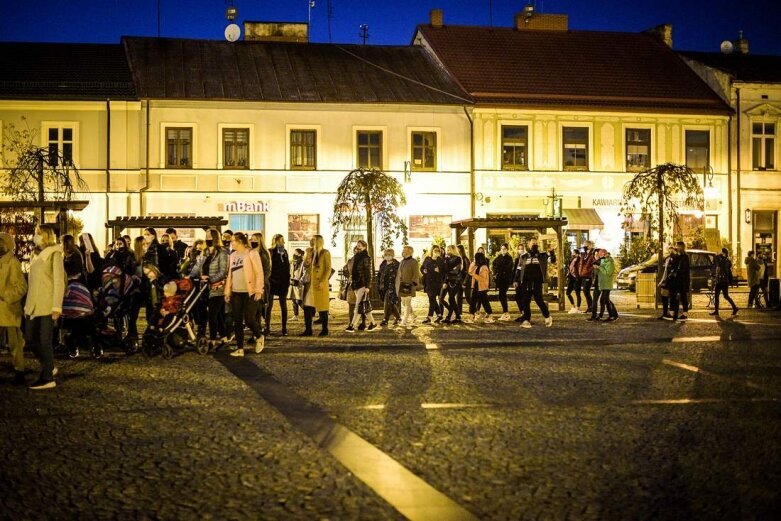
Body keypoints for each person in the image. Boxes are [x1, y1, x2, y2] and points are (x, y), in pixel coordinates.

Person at [25, 225, 65, 390]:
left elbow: (58, 280)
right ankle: (49, 366)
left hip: (47, 304)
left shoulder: (54, 254)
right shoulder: (35, 255)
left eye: (38, 233)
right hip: (33, 304)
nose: (36, 236)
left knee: (44, 340)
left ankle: (48, 377)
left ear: (46, 235)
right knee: (29, 338)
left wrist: (57, 305)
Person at [225, 232, 265, 356]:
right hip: (236, 292)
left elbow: (259, 272)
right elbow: (230, 275)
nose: (231, 243)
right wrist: (227, 291)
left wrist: (259, 290)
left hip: (250, 291)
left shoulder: (252, 253)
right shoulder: (233, 256)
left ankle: (259, 336)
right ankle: (240, 348)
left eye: (233, 241)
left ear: (240, 242)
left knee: (249, 319)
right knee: (237, 320)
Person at [190, 229, 229, 349]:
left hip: (218, 287)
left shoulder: (222, 253)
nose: (207, 238)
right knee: (217, 315)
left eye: (209, 236)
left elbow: (223, 271)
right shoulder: (205, 252)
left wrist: (211, 279)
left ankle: (213, 339)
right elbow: (198, 266)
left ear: (215, 238)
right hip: (205, 288)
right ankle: (224, 338)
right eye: (206, 236)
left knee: (212, 314)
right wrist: (190, 276)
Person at [0, 232, 28, 385]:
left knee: (15, 343)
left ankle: (19, 370)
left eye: (2, 243)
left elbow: (22, 286)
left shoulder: (13, 262)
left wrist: (6, 295)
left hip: (9, 309)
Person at [518, 238, 555, 329]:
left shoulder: (542, 255)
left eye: (535, 243)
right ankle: (526, 320)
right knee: (525, 301)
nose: (534, 245)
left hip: (537, 281)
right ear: (529, 245)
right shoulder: (524, 256)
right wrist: (516, 280)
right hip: (526, 282)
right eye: (532, 243)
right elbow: (519, 269)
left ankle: (547, 316)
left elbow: (552, 260)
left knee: (539, 300)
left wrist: (552, 252)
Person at [347, 239, 377, 332]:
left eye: (360, 245)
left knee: (358, 306)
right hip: (356, 284)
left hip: (363, 284)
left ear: (364, 247)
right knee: (364, 306)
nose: (358, 247)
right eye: (357, 245)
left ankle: (352, 326)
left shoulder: (366, 258)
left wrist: (368, 286)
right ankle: (373, 323)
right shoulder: (356, 257)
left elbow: (369, 273)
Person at [267, 234, 291, 336]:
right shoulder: (270, 251)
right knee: (269, 305)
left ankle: (284, 328)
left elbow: (286, 266)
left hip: (282, 281)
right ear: (276, 241)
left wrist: (287, 279)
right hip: (272, 280)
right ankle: (267, 327)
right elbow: (269, 266)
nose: (283, 242)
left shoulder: (284, 252)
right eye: (281, 240)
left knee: (283, 305)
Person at [309, 234, 332, 336]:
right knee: (314, 306)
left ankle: (325, 329)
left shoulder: (325, 253)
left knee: (323, 307)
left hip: (321, 283)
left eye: (314, 240)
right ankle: (310, 328)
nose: (312, 242)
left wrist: (323, 281)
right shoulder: (312, 252)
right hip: (312, 283)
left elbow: (328, 269)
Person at [250, 232, 272, 334]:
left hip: (262, 285)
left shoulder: (263, 254)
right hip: (252, 284)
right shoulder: (250, 252)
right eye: (251, 239)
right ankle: (257, 331)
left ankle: (259, 331)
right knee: (254, 311)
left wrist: (261, 283)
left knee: (259, 309)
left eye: (255, 239)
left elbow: (267, 270)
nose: (252, 241)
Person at [396, 245, 420, 327]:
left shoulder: (414, 261)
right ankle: (413, 315)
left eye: (405, 250)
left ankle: (404, 321)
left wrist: (413, 283)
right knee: (404, 303)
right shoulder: (402, 261)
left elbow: (416, 273)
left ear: (410, 251)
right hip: (402, 285)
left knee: (407, 303)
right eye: (403, 250)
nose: (403, 251)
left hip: (410, 285)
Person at [710, 247, 738, 317]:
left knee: (726, 296)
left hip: (724, 281)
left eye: (721, 252)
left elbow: (725, 268)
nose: (720, 254)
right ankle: (716, 311)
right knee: (716, 295)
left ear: (724, 253)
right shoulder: (722, 260)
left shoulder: (726, 261)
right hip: (719, 280)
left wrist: (721, 259)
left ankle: (735, 308)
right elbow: (717, 264)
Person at [421, 245, 445, 324]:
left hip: (436, 283)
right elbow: (422, 268)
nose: (437, 251)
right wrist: (424, 271)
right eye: (435, 250)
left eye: (438, 250)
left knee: (432, 299)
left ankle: (429, 317)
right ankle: (439, 314)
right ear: (432, 251)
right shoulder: (427, 259)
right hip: (427, 282)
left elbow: (443, 272)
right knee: (432, 300)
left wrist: (438, 271)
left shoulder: (440, 260)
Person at [467, 251, 493, 323]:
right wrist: (473, 263)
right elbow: (470, 271)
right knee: (473, 302)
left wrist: (474, 275)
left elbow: (482, 279)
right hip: (476, 286)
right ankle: (471, 316)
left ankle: (490, 315)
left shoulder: (484, 267)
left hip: (482, 287)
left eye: (475, 258)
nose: (474, 259)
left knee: (485, 302)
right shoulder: (477, 266)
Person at [377, 248, 401, 327]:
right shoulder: (383, 264)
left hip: (392, 287)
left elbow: (399, 276)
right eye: (386, 255)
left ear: (393, 255)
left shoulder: (396, 264)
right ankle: (398, 317)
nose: (388, 256)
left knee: (387, 302)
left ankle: (385, 319)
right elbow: (380, 275)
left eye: (389, 255)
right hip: (383, 286)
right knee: (391, 303)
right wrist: (379, 285)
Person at [492, 243, 514, 321]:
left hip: (505, 279)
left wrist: (500, 271)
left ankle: (506, 313)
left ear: (507, 249)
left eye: (504, 249)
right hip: (500, 279)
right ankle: (505, 312)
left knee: (502, 294)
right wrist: (495, 273)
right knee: (501, 295)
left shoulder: (509, 258)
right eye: (502, 249)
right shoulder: (499, 257)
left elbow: (508, 268)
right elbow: (494, 264)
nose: (503, 250)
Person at [595, 249, 619, 321]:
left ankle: (612, 316)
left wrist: (599, 267)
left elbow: (608, 273)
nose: (599, 256)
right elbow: (599, 273)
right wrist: (597, 267)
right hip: (603, 283)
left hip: (607, 283)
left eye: (600, 255)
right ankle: (612, 315)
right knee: (604, 300)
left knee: (605, 300)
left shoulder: (609, 262)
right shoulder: (602, 261)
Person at [442, 245, 463, 323]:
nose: (448, 251)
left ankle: (449, 317)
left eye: (449, 250)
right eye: (447, 250)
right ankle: (457, 317)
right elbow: (446, 270)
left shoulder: (458, 258)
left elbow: (456, 270)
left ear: (453, 250)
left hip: (456, 281)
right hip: (449, 280)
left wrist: (449, 271)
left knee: (451, 298)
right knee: (451, 299)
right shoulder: (446, 259)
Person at [669, 241, 690, 321]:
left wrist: (676, 274)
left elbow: (683, 269)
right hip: (678, 280)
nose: (676, 247)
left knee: (683, 297)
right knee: (676, 296)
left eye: (677, 246)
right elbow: (673, 264)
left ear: (681, 247)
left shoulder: (684, 257)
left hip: (682, 280)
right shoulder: (678, 256)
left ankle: (684, 314)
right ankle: (674, 313)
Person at [299, 246, 315, 336]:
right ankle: (308, 328)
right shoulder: (305, 263)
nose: (307, 257)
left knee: (308, 308)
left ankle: (309, 329)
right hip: (306, 288)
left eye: (309, 255)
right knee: (307, 308)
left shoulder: (313, 264)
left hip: (310, 288)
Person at [658, 245, 677, 320]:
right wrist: (662, 280)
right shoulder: (667, 259)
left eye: (671, 250)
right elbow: (665, 271)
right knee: (664, 295)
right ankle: (665, 312)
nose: (670, 252)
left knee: (672, 297)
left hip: (672, 280)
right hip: (667, 280)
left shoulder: (675, 259)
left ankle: (670, 313)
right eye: (669, 250)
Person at [578, 240, 597, 314]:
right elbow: (581, 263)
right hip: (583, 275)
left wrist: (588, 270)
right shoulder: (584, 254)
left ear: (589, 245)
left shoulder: (593, 254)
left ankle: (591, 307)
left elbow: (594, 264)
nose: (584, 246)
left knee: (586, 291)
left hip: (588, 275)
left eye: (585, 245)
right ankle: (590, 307)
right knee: (585, 292)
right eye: (584, 245)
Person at [512, 242, 527, 321]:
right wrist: (514, 280)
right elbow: (515, 270)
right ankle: (522, 312)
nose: (520, 250)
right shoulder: (517, 259)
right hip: (518, 281)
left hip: (524, 281)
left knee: (523, 297)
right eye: (519, 249)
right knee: (518, 297)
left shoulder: (526, 258)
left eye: (522, 249)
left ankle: (525, 313)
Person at [289, 248, 305, 321]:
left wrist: (300, 280)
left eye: (295, 253)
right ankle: (295, 315)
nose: (294, 254)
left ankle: (309, 312)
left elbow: (304, 273)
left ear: (300, 254)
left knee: (299, 300)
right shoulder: (293, 262)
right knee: (293, 299)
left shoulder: (302, 262)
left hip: (299, 283)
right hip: (292, 283)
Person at [565, 248, 582, 314]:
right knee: (568, 292)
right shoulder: (571, 259)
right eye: (572, 252)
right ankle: (573, 305)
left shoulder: (579, 260)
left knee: (578, 293)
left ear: (577, 254)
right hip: (571, 277)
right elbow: (570, 267)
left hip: (577, 278)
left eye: (574, 252)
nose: (572, 253)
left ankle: (578, 307)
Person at [456, 244, 470, 314]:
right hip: (459, 280)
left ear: (460, 250)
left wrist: (465, 282)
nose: (456, 251)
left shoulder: (465, 259)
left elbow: (468, 272)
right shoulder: (459, 259)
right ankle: (459, 311)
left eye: (457, 249)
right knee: (458, 296)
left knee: (468, 297)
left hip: (465, 281)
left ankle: (475, 310)